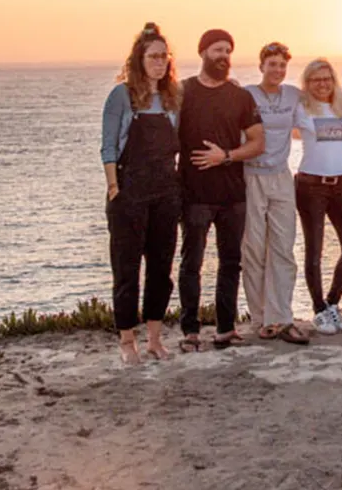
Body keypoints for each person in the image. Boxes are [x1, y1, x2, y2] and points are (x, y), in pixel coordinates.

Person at [178, 29, 265, 352]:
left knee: (231, 262)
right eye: (217, 49)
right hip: (194, 194)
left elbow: (258, 142)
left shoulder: (240, 97)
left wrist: (226, 156)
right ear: (202, 52)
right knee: (192, 263)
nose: (223, 55)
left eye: (228, 50)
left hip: (233, 195)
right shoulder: (183, 92)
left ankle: (225, 328)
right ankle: (190, 330)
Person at [100, 22, 181, 364]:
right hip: (129, 193)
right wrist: (114, 187)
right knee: (126, 268)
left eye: (164, 56)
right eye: (153, 56)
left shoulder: (174, 97)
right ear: (140, 59)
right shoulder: (122, 95)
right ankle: (126, 341)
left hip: (165, 192)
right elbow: (107, 147)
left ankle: (154, 339)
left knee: (161, 270)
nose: (159, 62)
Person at [242, 41, 308, 344]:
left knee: (283, 248)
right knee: (254, 249)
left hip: (281, 177)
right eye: (272, 64)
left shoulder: (293, 95)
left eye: (282, 65)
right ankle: (260, 318)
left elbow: (326, 101)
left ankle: (281, 316)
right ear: (261, 66)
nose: (278, 70)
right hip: (250, 176)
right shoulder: (246, 95)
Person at [294, 58, 342, 336]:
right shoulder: (301, 108)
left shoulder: (341, 106)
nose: (322, 84)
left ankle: (332, 302)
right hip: (311, 185)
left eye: (326, 79)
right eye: (315, 80)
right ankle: (319, 310)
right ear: (307, 84)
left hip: (340, 183)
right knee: (314, 252)